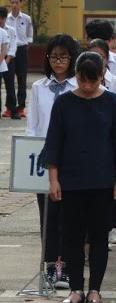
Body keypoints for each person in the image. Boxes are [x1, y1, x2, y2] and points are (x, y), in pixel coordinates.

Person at [43, 51, 116, 303]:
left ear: (101, 77)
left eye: (93, 81)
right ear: (76, 76)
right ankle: (76, 290)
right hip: (71, 179)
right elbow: (54, 144)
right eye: (83, 80)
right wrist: (53, 179)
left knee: (98, 237)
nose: (87, 86)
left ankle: (95, 289)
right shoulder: (64, 104)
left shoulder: (112, 101)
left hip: (103, 179)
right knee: (71, 236)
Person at [26, 34, 80, 289]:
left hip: (71, 158)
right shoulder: (39, 88)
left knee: (69, 215)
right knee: (47, 215)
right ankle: (50, 265)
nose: (58, 62)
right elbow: (33, 127)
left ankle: (67, 266)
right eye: (54, 57)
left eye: (64, 57)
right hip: (46, 159)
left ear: (73, 59)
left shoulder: (79, 87)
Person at [7, 0, 33, 118]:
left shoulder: (26, 18)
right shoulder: (6, 18)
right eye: (12, 2)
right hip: (9, 51)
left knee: (22, 78)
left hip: (22, 49)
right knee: (9, 79)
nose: (14, 5)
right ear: (10, 4)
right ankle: (9, 107)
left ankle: (21, 107)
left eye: (17, 2)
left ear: (21, 3)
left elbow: (30, 32)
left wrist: (28, 42)